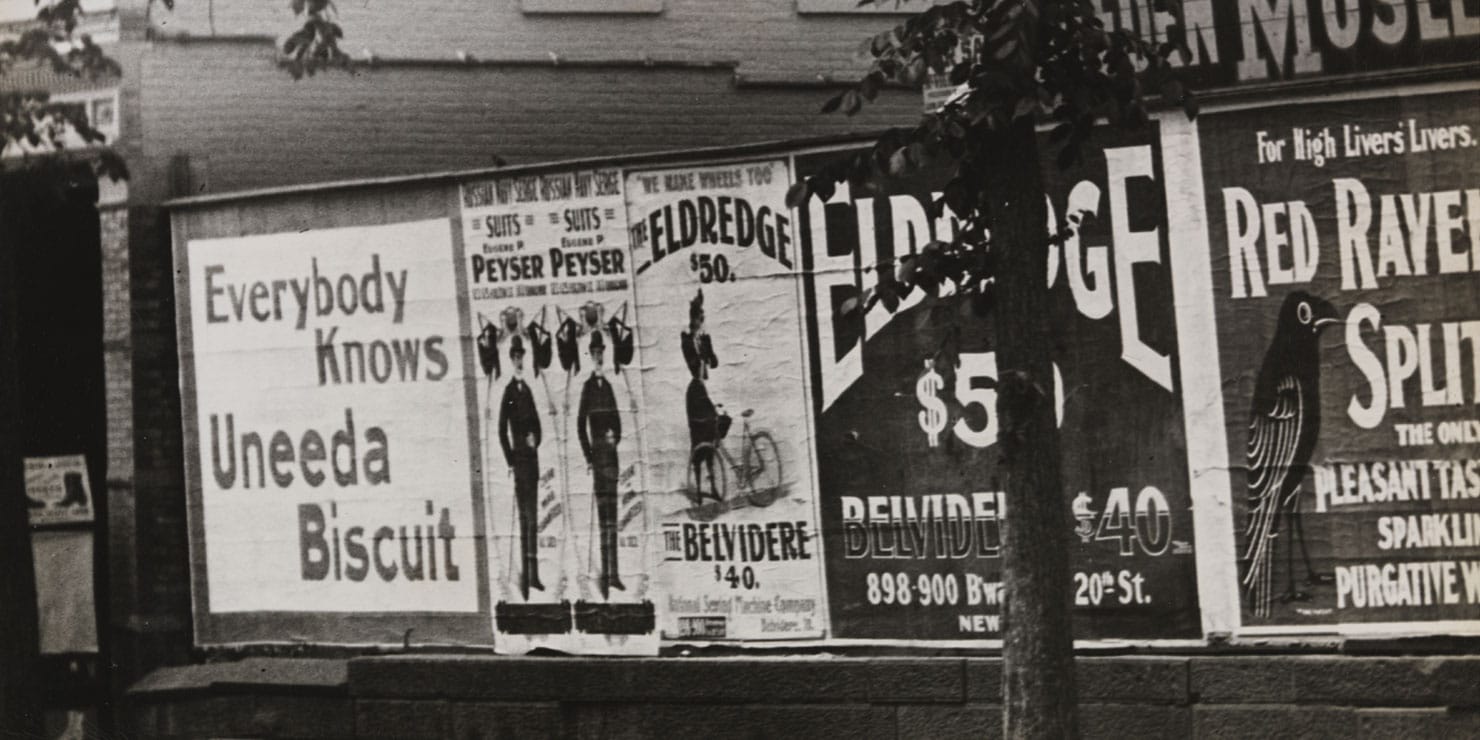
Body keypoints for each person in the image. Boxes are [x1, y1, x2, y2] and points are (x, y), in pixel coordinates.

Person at [577, 330, 624, 597]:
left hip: (612, 459)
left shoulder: (607, 386)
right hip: (598, 459)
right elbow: (579, 426)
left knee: (613, 519)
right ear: (590, 356)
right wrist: (588, 456)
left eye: (601, 353)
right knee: (603, 516)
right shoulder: (587, 387)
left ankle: (614, 575)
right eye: (594, 353)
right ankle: (604, 578)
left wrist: (614, 436)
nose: (598, 357)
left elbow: (618, 420)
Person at [498, 335, 543, 599]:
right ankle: (525, 579)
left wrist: (536, 438)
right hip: (520, 464)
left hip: (533, 462)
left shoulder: (527, 389)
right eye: (515, 357)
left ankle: (534, 575)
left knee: (533, 520)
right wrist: (511, 460)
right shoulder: (509, 392)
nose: (519, 361)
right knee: (525, 518)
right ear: (510, 360)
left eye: (521, 357)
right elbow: (501, 430)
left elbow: (537, 423)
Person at [682, 290, 723, 502]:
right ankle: (698, 490)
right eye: (700, 318)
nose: (701, 321)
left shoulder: (703, 338)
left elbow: (714, 363)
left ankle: (713, 487)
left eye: (703, 318)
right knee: (697, 441)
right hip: (694, 392)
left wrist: (707, 345)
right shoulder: (687, 339)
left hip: (703, 389)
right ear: (694, 318)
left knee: (712, 433)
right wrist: (701, 350)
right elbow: (693, 363)